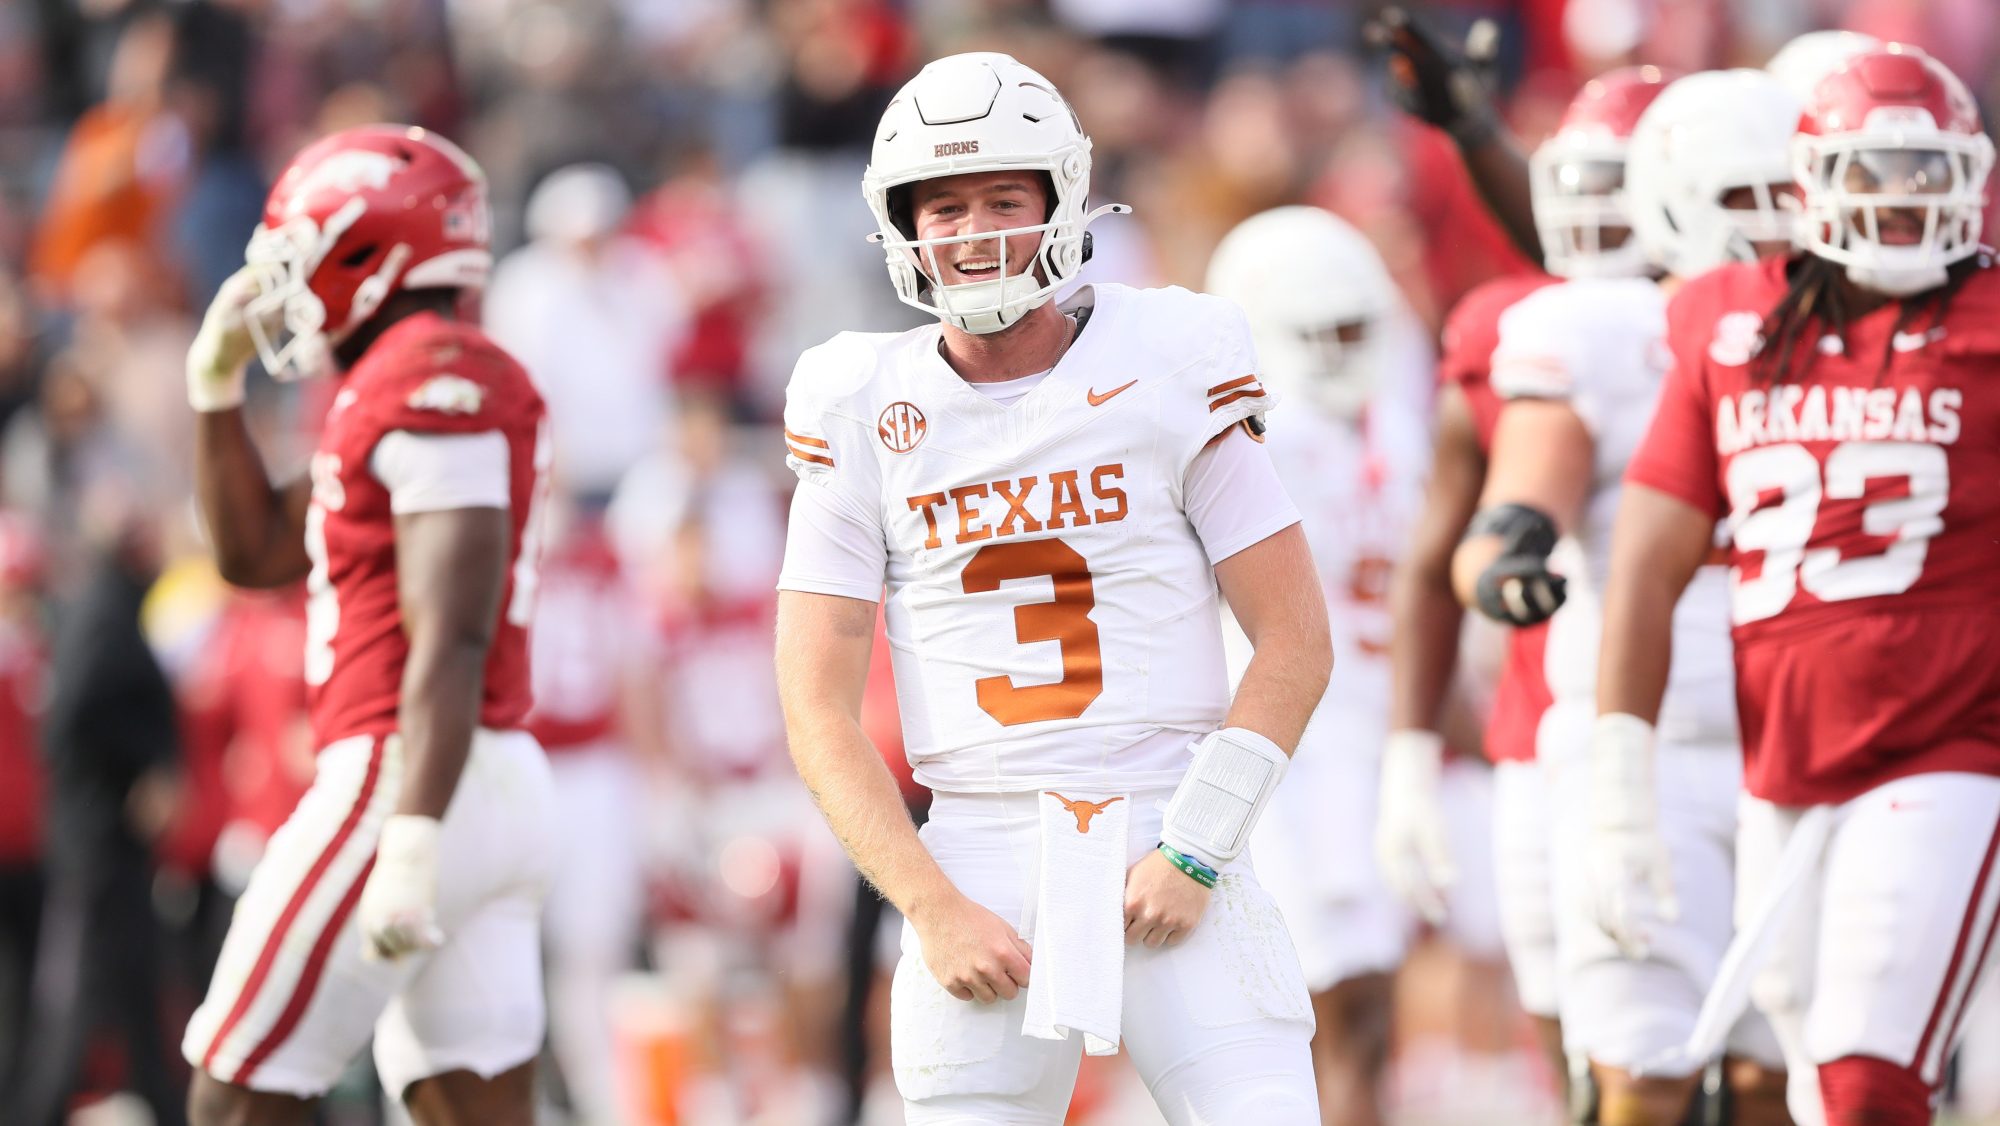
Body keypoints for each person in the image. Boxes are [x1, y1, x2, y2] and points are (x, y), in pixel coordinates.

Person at [773, 51, 1332, 1124]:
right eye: (944, 206)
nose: (973, 232)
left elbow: (1294, 640)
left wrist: (1197, 847)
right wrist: (930, 905)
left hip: (1167, 819)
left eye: (1000, 200)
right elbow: (814, 703)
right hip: (976, 844)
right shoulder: (858, 403)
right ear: (901, 223)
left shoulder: (1167, 355)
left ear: (1061, 201)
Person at [1591, 46, 2000, 1126]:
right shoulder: (1729, 318)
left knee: (1869, 1078)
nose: (1906, 199)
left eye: (1928, 171)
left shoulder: (1989, 324)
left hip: (1950, 745)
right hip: (1783, 762)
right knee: (1815, 1083)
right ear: (1812, 181)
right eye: (1878, 171)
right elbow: (1648, 549)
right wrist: (1618, 774)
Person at [176, 124, 556, 1126]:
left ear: (367, 254)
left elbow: (453, 632)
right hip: (481, 772)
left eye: (300, 261)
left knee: (235, 1093)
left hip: (411, 766)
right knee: (466, 1107)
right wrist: (213, 390)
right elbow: (254, 553)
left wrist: (416, 830)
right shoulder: (399, 380)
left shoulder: (433, 373)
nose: (286, 291)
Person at [1453, 68, 1807, 1126]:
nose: (1775, 222)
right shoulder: (1601, 330)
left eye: (1785, 190)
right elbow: (1506, 505)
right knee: (1639, 1071)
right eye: (1745, 196)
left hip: (1805, 747)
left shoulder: (1854, 329)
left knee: (1777, 1073)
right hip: (1646, 752)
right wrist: (1504, 556)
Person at [1377, 69, 1670, 1099]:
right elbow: (1435, 555)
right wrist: (1409, 753)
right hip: (1541, 728)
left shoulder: (1745, 326)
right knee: (1581, 1059)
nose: (1598, 211)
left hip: (1716, 729)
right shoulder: (1513, 329)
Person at [1204, 204, 1434, 1126]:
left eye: (1354, 328)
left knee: (1370, 1007)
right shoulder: (1249, 444)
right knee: (1301, 1012)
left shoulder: (1397, 432)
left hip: (1375, 739)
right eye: (1318, 332)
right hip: (1287, 748)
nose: (1341, 350)